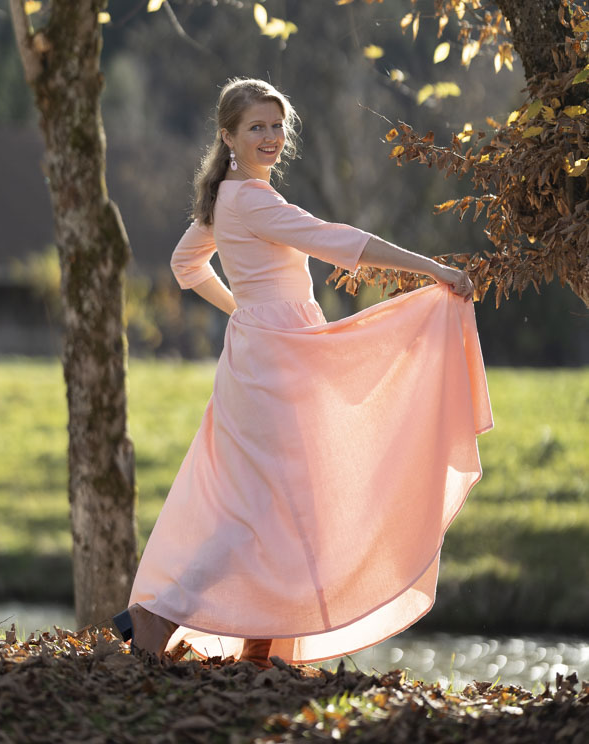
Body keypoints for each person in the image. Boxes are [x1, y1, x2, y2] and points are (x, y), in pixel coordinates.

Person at [114, 77, 493, 668]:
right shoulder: (250, 200)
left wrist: (245, 309)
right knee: (269, 507)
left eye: (276, 126)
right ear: (228, 137)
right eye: (256, 128)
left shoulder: (227, 197)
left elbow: (186, 264)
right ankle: (159, 614)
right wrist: (432, 269)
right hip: (275, 365)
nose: (270, 137)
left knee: (287, 505)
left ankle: (257, 647)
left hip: (270, 354)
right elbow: (332, 240)